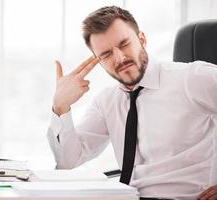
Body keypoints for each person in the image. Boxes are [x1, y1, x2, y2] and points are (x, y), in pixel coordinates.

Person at [47, 5, 217, 200]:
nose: (120, 58)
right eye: (106, 54)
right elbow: (68, 161)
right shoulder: (106, 101)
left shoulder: (191, 78)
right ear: (98, 61)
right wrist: (60, 106)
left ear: (142, 39)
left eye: (124, 44)